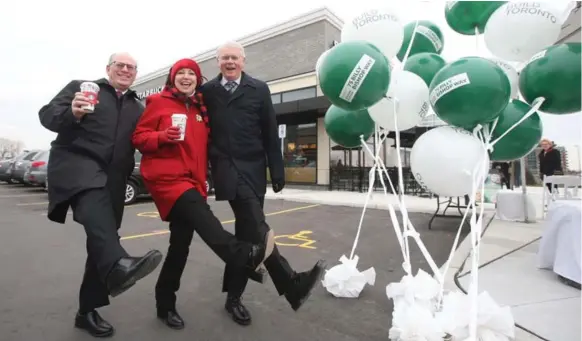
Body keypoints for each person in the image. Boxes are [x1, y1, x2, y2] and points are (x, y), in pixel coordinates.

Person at [131, 58, 275, 330]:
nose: (186, 77)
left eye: (191, 73)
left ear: (198, 80)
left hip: (193, 182)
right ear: (172, 78)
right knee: (208, 222)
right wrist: (162, 136)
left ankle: (165, 304)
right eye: (180, 73)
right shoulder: (158, 103)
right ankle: (246, 255)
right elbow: (139, 138)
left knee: (180, 247)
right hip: (168, 180)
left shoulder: (200, 108)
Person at [38, 52, 163, 338]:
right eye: (120, 65)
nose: (126, 70)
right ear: (108, 68)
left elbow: (145, 140)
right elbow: (47, 116)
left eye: (131, 67)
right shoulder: (81, 88)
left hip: (115, 180)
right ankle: (119, 265)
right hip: (78, 168)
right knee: (104, 236)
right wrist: (74, 112)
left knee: (102, 242)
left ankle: (87, 310)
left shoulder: (138, 106)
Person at [200, 41, 326, 326]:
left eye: (234, 57)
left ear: (243, 60)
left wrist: (277, 168)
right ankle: (291, 283)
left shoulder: (259, 88)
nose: (229, 62)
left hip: (254, 169)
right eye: (224, 58)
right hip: (227, 169)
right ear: (217, 62)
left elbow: (270, 130)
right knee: (257, 225)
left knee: (249, 236)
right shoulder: (207, 91)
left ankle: (233, 298)